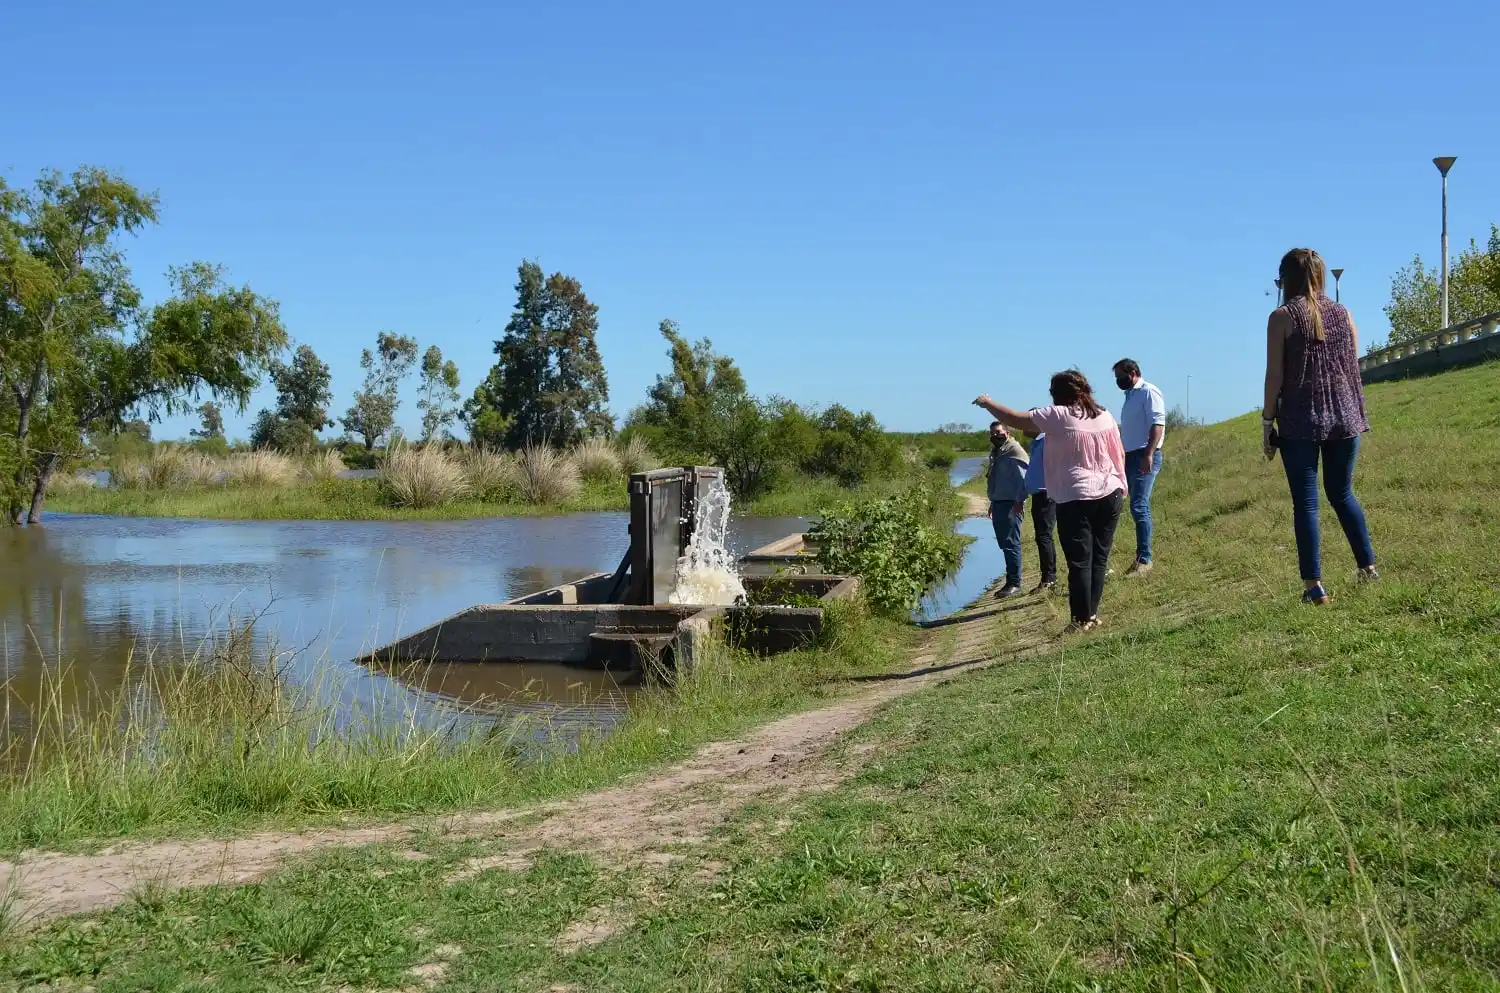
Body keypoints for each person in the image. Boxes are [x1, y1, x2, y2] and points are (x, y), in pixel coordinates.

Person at [1262, 248, 1378, 604]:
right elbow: (1352, 368)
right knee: (1342, 494)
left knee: (1307, 504)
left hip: (1300, 421)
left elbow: (1275, 375)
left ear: (1286, 279)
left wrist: (1267, 422)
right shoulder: (1345, 314)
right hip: (1345, 417)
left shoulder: (1282, 317)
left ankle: (1314, 587)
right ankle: (1368, 568)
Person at [975, 370, 1127, 632]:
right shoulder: (1105, 414)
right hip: (1110, 493)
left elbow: (1015, 419)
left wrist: (987, 403)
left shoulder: (1058, 416)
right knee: (1098, 560)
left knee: (1079, 561)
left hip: (1076, 497)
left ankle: (1080, 621)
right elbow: (1120, 454)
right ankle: (1090, 616)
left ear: (1058, 395)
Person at [1112, 358, 1166, 575]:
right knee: (1133, 505)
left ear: (1132, 372)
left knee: (1139, 505)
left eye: (1120, 376)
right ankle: (1140, 558)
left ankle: (1145, 559)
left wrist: (1149, 454)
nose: (1118, 381)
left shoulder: (1149, 392)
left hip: (1145, 454)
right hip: (1130, 456)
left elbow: (1158, 423)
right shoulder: (1130, 396)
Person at [984, 420, 1030, 597]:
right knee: (1004, 543)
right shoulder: (997, 452)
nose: (995, 436)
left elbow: (1024, 480)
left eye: (998, 432)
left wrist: (1020, 501)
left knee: (1011, 543)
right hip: (999, 502)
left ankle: (1014, 583)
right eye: (993, 433)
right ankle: (1010, 580)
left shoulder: (1014, 451)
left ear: (1008, 433)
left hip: (1011, 503)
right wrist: (992, 503)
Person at [1023, 432, 1057, 593]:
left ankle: (1049, 578)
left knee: (1044, 536)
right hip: (1039, 495)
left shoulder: (1045, 440)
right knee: (1042, 536)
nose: (1022, 427)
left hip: (1047, 494)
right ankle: (1048, 576)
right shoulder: (1036, 442)